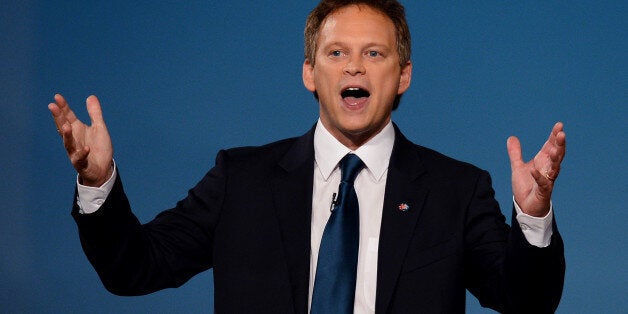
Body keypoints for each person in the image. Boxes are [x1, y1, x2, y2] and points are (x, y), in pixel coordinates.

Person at [49, 0, 566, 313]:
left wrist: (535, 218)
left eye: (374, 53)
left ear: (403, 74)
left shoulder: (456, 190)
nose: (353, 69)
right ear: (309, 73)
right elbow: (134, 270)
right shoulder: (240, 180)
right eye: (336, 53)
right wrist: (99, 186)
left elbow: (526, 302)